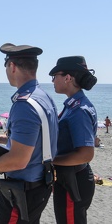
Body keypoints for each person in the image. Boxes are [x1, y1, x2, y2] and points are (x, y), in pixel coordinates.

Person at [0, 43, 58, 223]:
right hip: (40, 186)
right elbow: (41, 137)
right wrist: (2, 138)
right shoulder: (44, 97)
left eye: (5, 65)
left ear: (12, 66)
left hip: (22, 192)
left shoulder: (25, 104)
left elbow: (18, 161)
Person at [49, 56, 98, 224]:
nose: (53, 80)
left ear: (68, 78)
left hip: (73, 181)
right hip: (71, 178)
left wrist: (49, 160)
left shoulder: (78, 110)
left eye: (55, 76)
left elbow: (85, 154)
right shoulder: (73, 104)